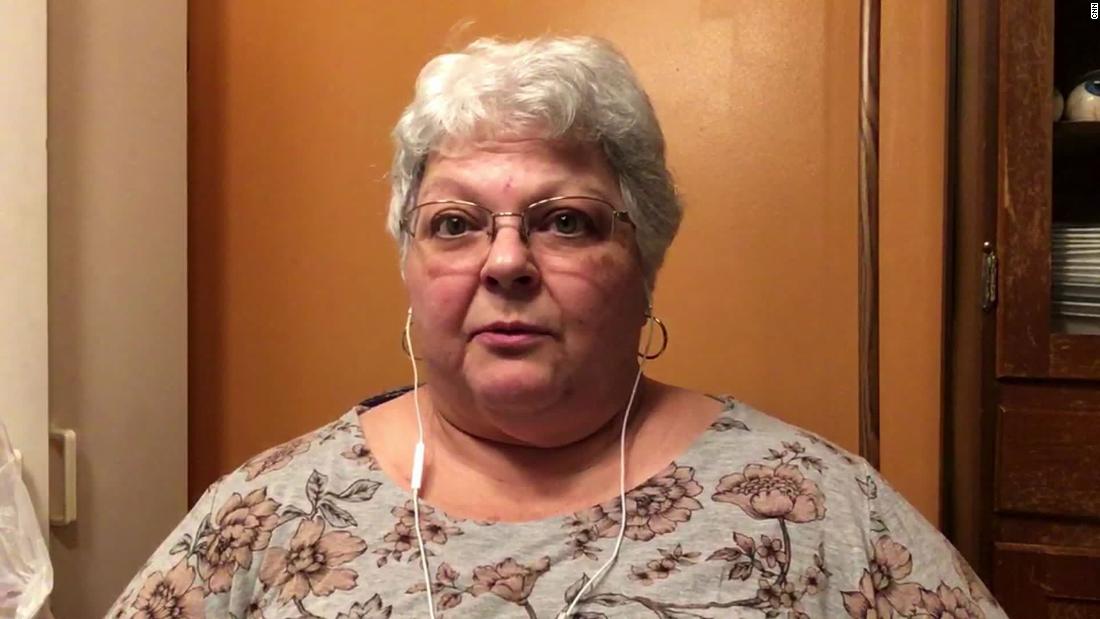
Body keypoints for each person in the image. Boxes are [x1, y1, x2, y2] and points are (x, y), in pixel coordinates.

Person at [107, 36, 1004, 619]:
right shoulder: (267, 514)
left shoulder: (814, 507)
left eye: (565, 221)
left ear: (644, 258)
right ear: (409, 263)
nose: (506, 262)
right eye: (455, 223)